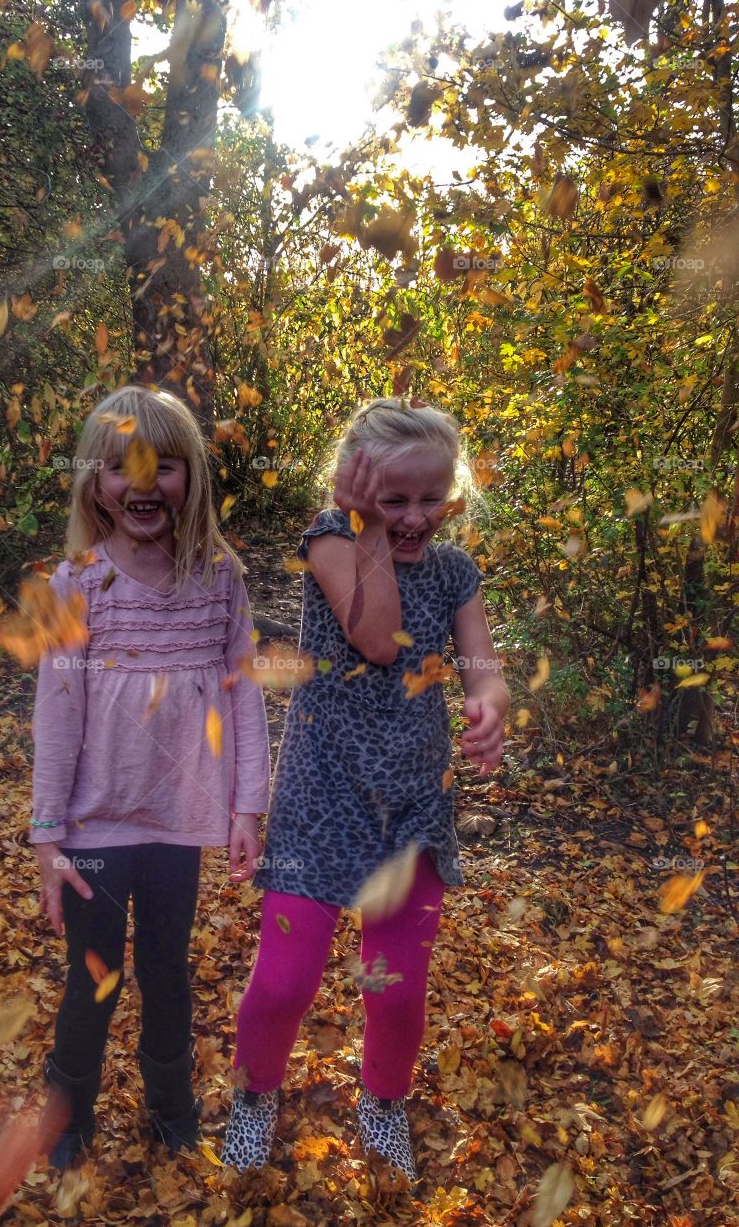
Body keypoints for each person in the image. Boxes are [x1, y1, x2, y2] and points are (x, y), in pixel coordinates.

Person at [222, 397, 509, 1180]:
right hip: (323, 792)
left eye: (430, 497)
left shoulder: (454, 571)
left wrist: (491, 702)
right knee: (284, 981)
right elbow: (378, 637)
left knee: (396, 992)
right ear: (356, 491)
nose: (415, 515)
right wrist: (368, 529)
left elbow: (481, 658)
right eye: (395, 498)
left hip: (413, 803)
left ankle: (382, 1101)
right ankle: (254, 1094)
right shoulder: (331, 540)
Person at [30, 384, 269, 1169]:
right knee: (92, 979)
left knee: (167, 970)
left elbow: (243, 698)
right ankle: (67, 1116)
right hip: (96, 825)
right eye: (122, 466)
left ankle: (172, 1107)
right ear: (94, 481)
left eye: (163, 465)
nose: (142, 482)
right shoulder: (77, 583)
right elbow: (56, 714)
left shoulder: (218, 580)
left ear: (191, 475)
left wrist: (246, 808)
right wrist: (47, 835)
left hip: (179, 824)